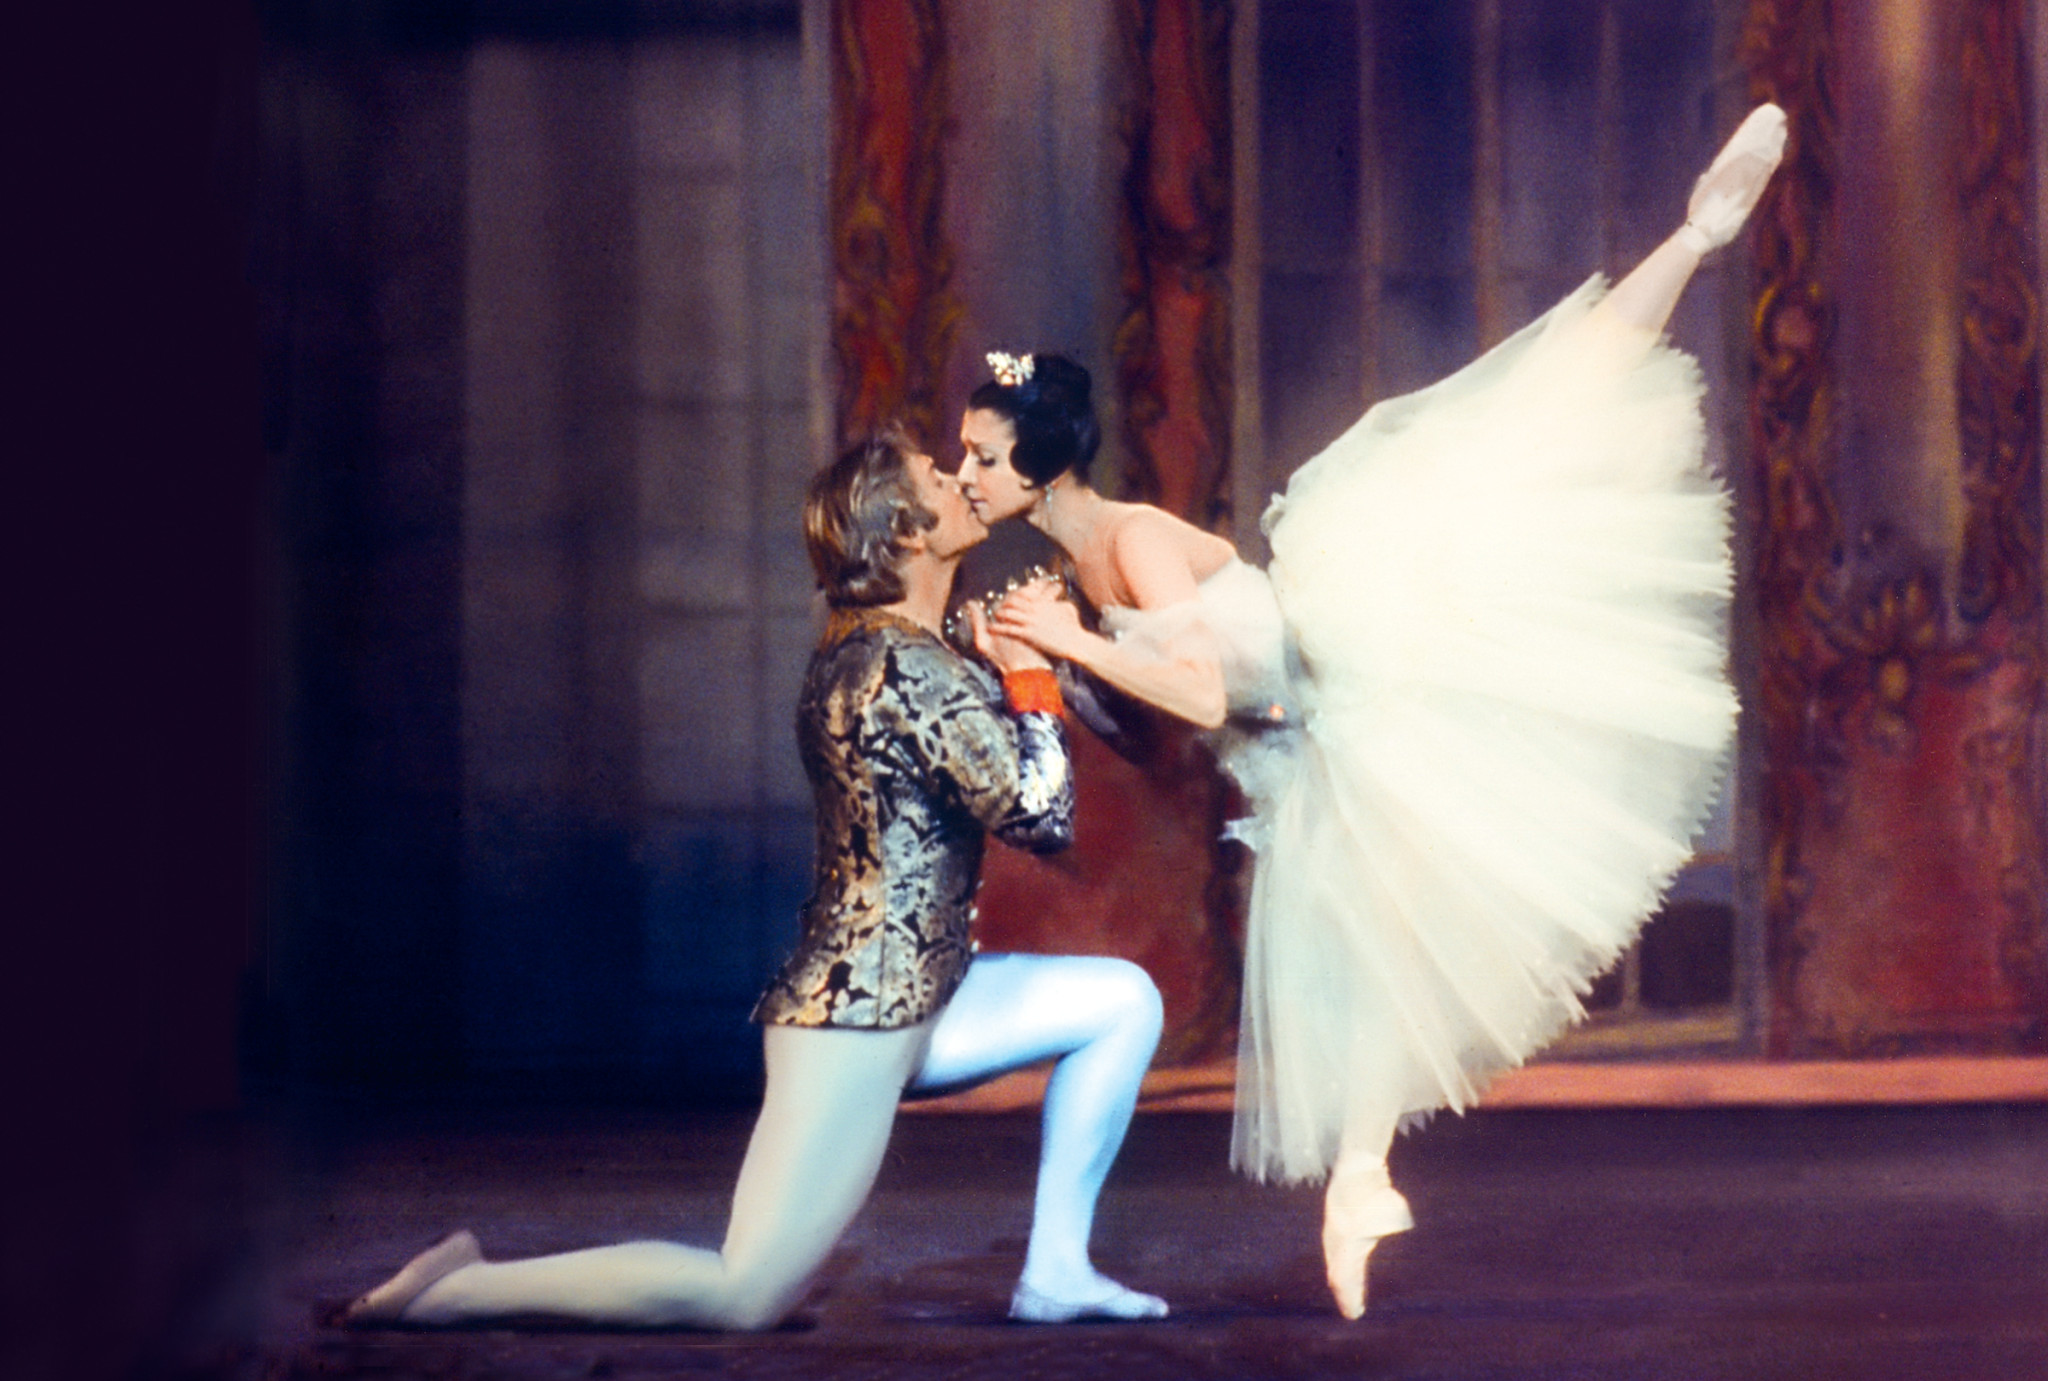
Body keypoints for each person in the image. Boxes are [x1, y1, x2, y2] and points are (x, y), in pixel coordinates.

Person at [959, 106, 1788, 1319]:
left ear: (1038, 467)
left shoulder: (1127, 543)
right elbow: (1156, 734)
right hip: (1302, 750)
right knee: (1363, 962)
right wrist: (1041, 672)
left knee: (1532, 439)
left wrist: (1076, 645)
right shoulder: (1074, 577)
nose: (967, 477)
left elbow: (1200, 688)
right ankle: (1359, 1183)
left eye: (981, 458)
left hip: (1363, 655)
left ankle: (1696, 234)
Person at [345, 429, 1169, 1330]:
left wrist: (1026, 660)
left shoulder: (890, 650)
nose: (961, 479)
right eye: (937, 477)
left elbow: (994, 756)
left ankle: (1057, 1273)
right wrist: (1030, 677)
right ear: (904, 532)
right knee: (744, 1293)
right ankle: (458, 1290)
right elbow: (1040, 815)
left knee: (1121, 1001)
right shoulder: (902, 666)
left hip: (920, 994)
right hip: (858, 1022)